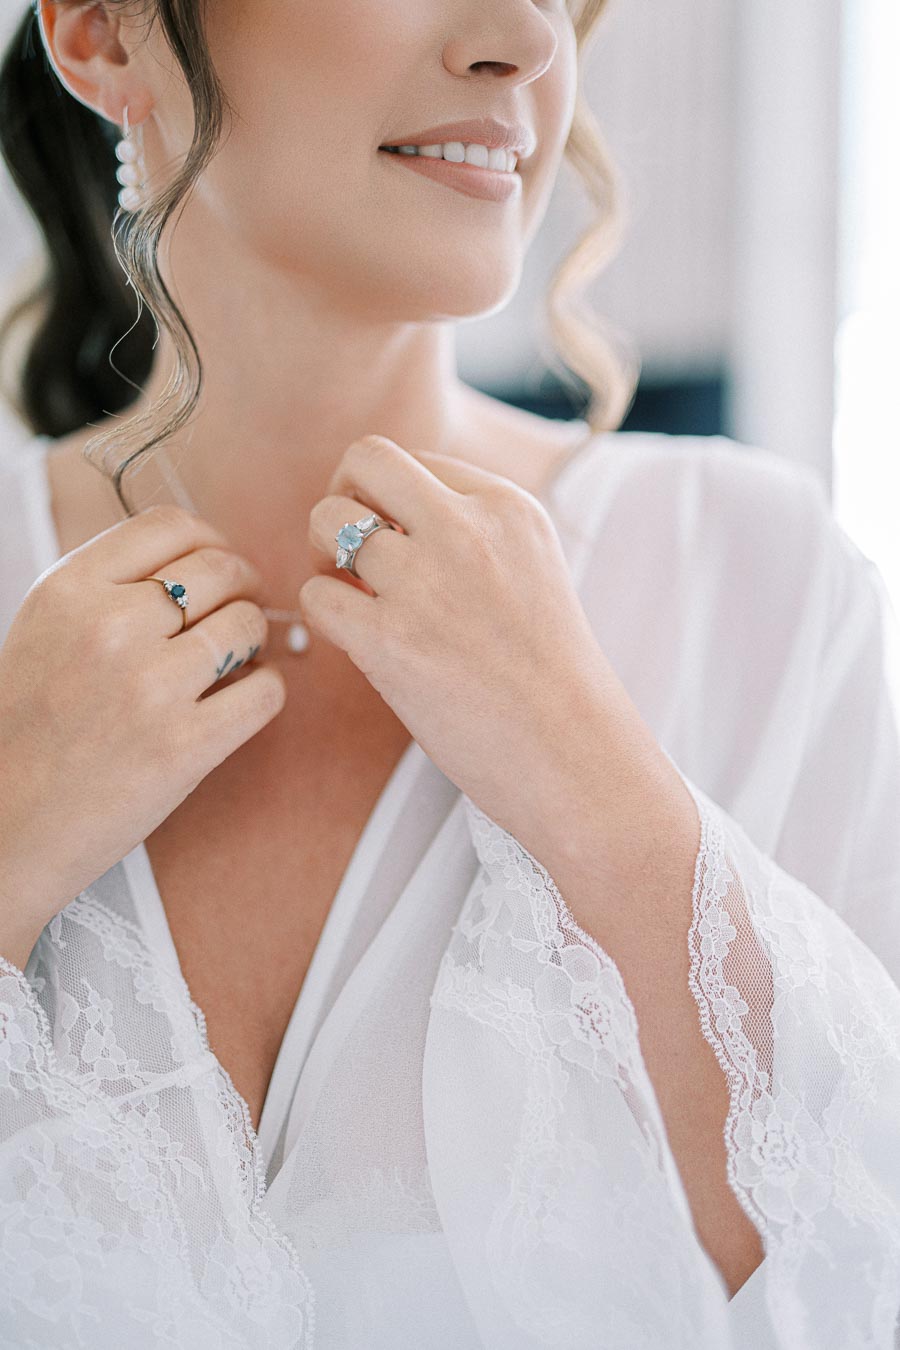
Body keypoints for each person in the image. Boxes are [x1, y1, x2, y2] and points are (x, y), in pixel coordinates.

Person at [0, 1, 899, 1347]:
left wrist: (596, 782)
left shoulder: (762, 585)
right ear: (102, 35)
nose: (526, 41)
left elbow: (852, 1277)